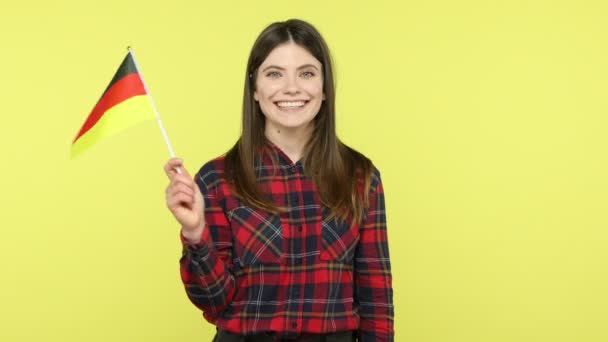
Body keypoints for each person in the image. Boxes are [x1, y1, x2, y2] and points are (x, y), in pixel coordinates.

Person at [164, 19, 394, 342]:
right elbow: (213, 302)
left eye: (307, 73)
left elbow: (376, 302)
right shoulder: (217, 180)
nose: (291, 88)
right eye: (274, 74)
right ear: (255, 90)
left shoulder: (361, 178)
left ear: (325, 88)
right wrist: (195, 232)